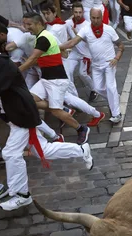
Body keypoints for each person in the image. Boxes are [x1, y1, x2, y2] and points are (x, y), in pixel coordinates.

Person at [0, 29, 93, 211]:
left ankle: (21, 195)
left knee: (10, 153)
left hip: (22, 115)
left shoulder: (3, 64)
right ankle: (81, 150)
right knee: (45, 150)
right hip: (13, 115)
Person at [18, 12, 92, 144]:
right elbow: (56, 54)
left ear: (39, 23)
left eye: (29, 24)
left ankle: (81, 129)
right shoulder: (41, 36)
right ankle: (62, 109)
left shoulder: (43, 38)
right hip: (47, 79)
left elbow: (33, 58)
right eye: (24, 24)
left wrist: (15, 72)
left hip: (56, 80)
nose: (26, 27)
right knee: (29, 99)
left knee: (55, 111)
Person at [59, 8, 124, 123]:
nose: (95, 20)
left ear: (101, 17)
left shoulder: (109, 29)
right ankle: (114, 98)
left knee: (110, 86)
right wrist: (56, 47)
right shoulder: (85, 30)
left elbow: (121, 46)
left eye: (98, 18)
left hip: (109, 63)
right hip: (96, 65)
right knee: (98, 89)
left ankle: (116, 114)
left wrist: (116, 58)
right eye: (93, 18)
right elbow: (73, 42)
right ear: (90, 17)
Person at [65, 2, 99, 103]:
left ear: (83, 12)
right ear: (72, 12)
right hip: (74, 52)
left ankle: (94, 89)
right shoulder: (68, 23)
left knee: (82, 73)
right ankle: (73, 95)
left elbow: (92, 41)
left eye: (80, 12)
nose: (78, 14)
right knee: (68, 71)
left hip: (86, 54)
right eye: (76, 12)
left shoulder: (88, 25)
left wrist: (78, 35)